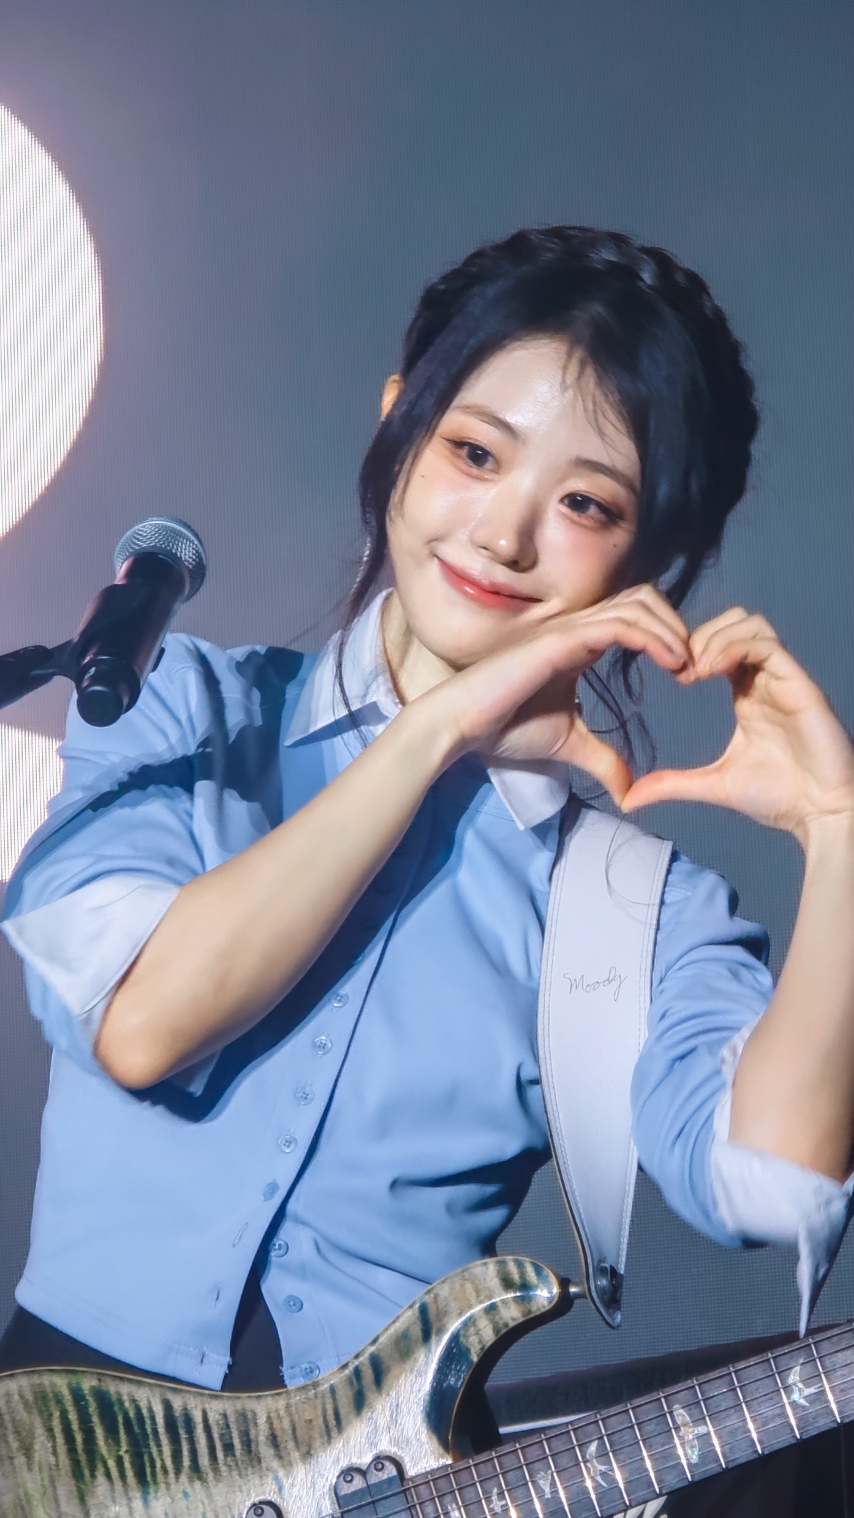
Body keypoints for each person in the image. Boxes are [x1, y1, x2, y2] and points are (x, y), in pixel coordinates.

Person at [1, 226, 854, 1398]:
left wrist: (838, 831)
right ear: (398, 422)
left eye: (585, 504)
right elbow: (142, 1024)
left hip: (393, 1471)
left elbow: (769, 1192)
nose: (502, 536)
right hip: (57, 1449)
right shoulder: (178, 707)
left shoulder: (630, 910)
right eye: (473, 452)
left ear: (658, 554)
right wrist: (436, 729)